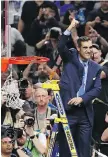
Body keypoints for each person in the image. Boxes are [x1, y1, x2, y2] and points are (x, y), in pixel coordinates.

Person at [58, 19, 101, 157]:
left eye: (90, 48)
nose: (89, 51)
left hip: (85, 114)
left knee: (84, 152)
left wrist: (82, 98)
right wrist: (70, 27)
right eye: (85, 48)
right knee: (66, 151)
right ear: (78, 48)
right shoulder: (70, 58)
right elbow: (60, 45)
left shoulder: (96, 68)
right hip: (68, 112)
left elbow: (97, 89)